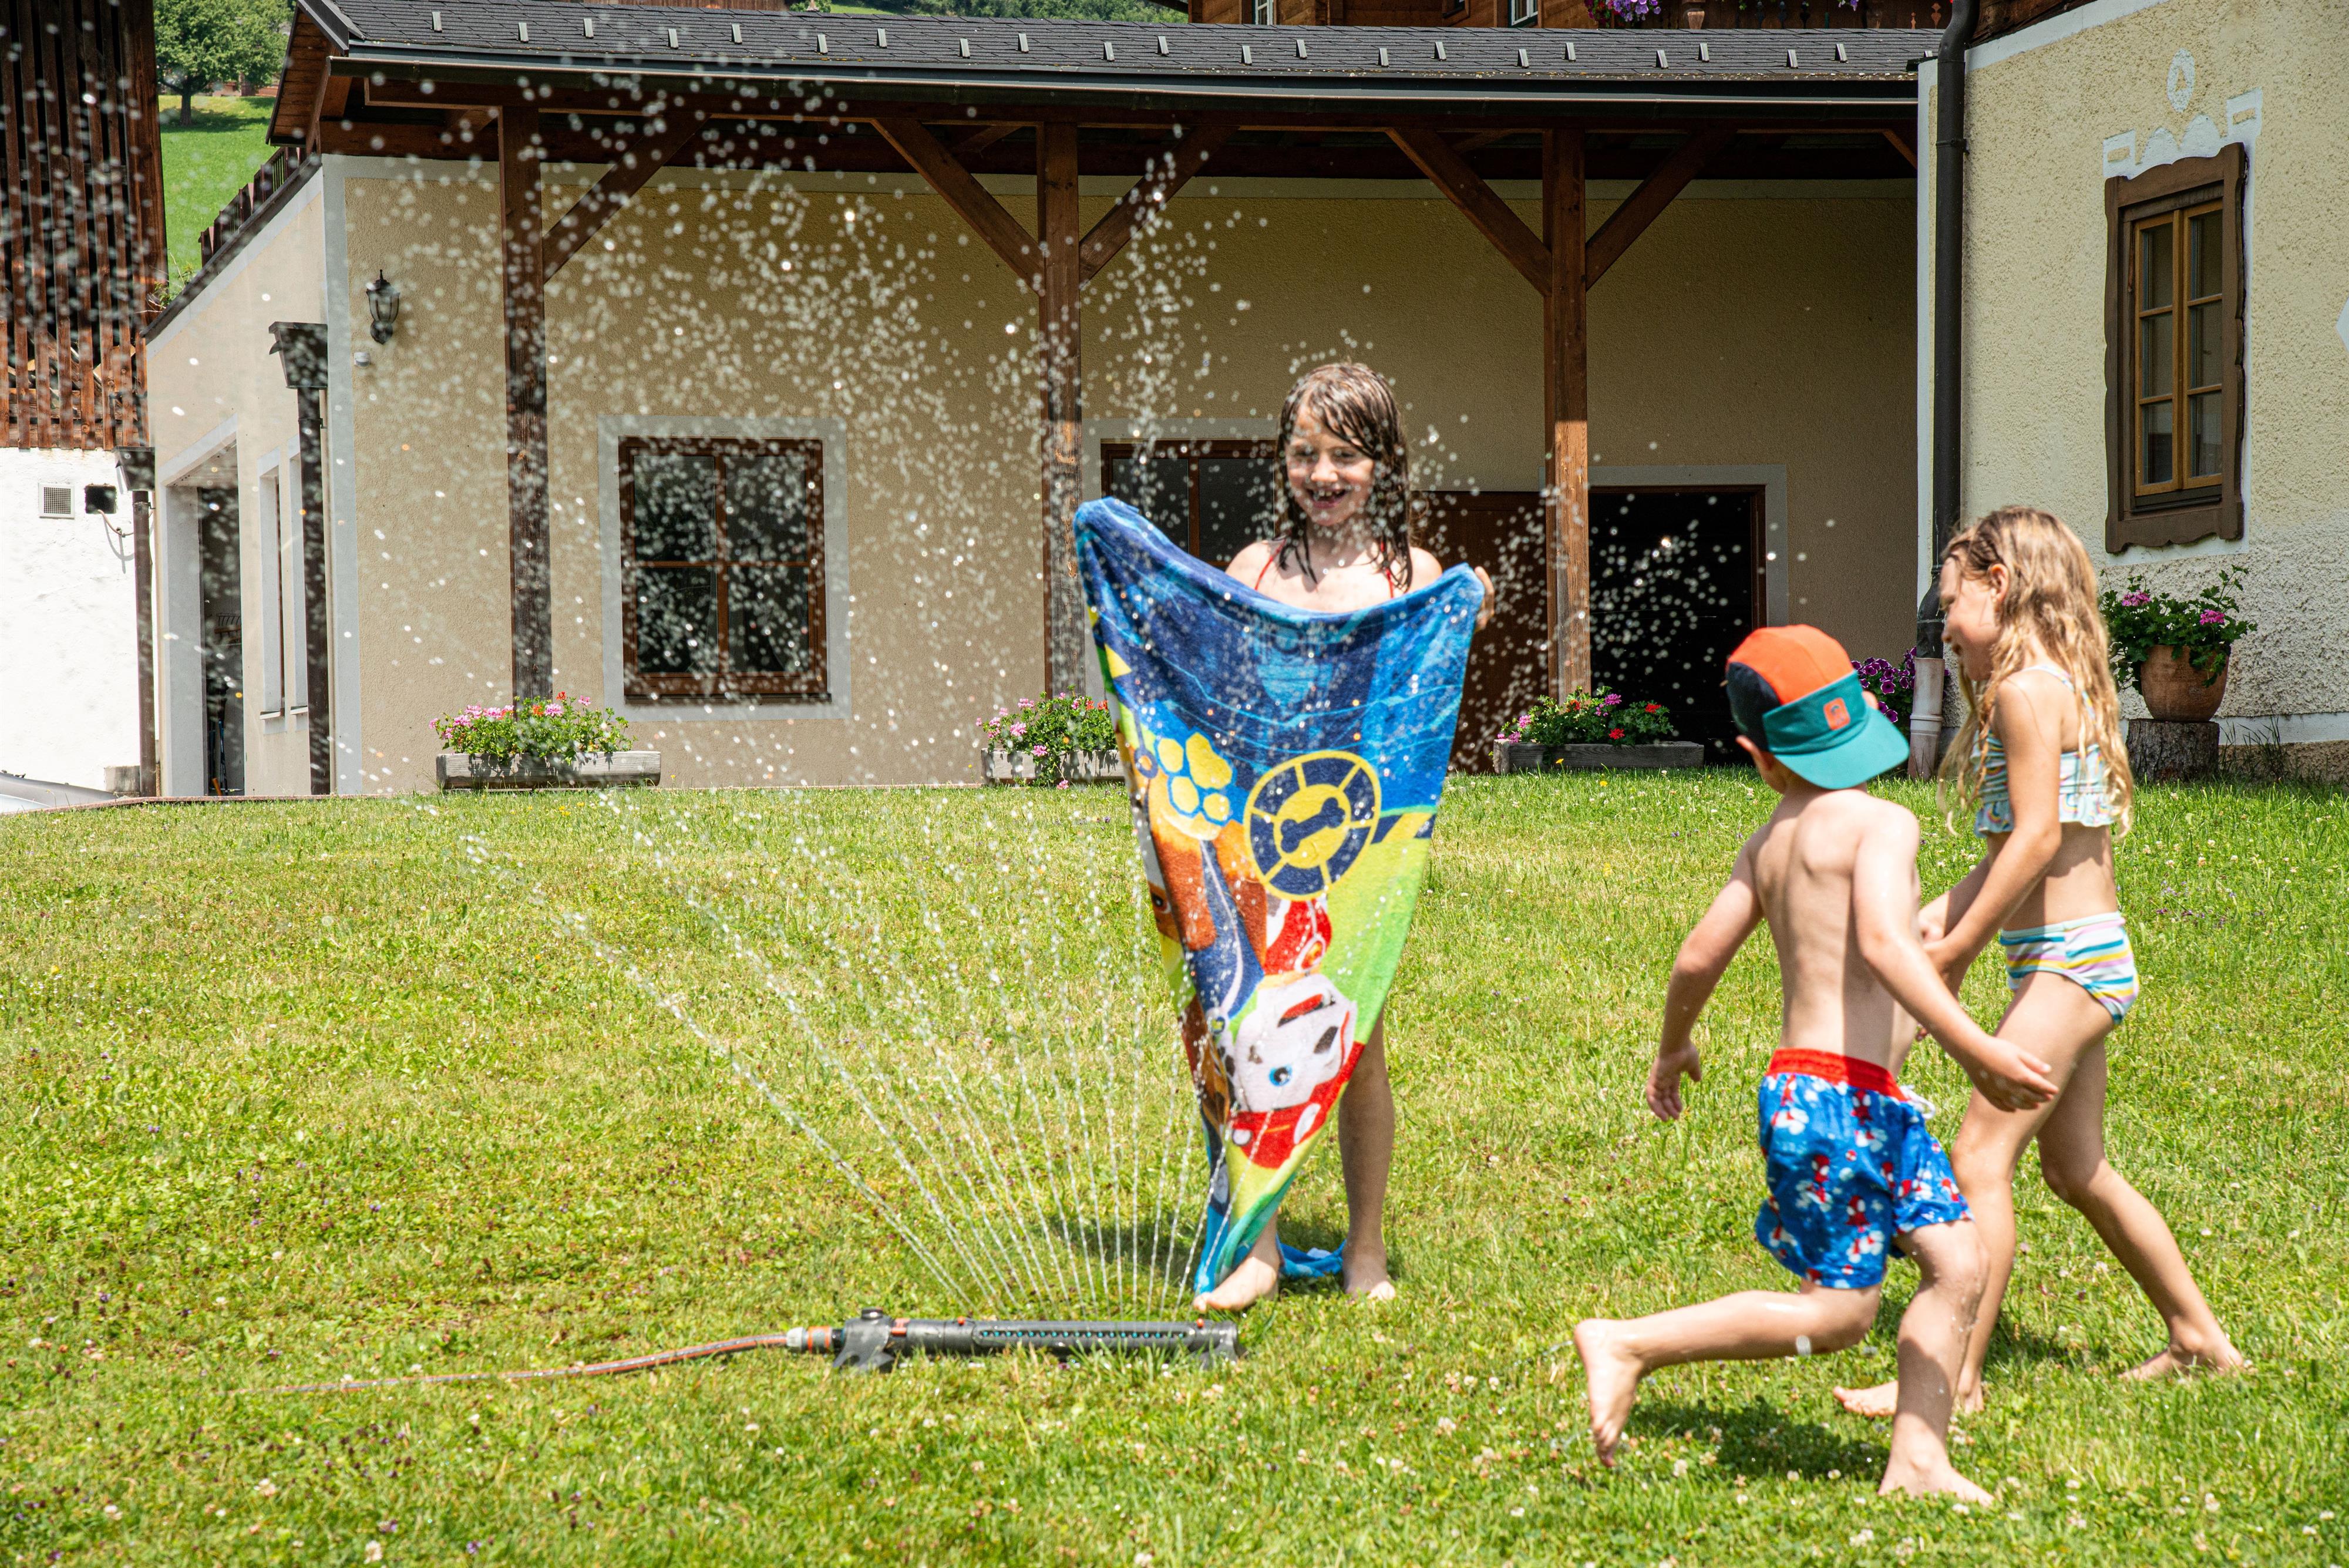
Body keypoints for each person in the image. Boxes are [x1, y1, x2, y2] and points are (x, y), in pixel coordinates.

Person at [1573, 625, 2059, 1501]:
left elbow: (1698, 956)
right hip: (1841, 1101)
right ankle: (1629, 1342)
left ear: (1757, 755)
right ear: (1862, 714)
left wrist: (1674, 1045)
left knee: (1960, 1263)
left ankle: (1919, 1458)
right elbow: (1883, 944)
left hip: (1827, 1093)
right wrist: (1975, 1044)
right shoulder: (1884, 823)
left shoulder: (1769, 845)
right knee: (1839, 1314)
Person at [1834, 508, 2243, 1421]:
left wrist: (1956, 953)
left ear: (2001, 586)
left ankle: (1956, 1376)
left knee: (1978, 1157)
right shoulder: (2048, 685)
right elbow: (2009, 856)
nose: (1945, 628)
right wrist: (1935, 919)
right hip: (2077, 961)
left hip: (2068, 966)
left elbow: (2036, 843)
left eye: (1952, 605)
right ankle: (2198, 1336)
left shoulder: (2025, 692)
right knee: (2078, 1169)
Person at [1199, 362, 1491, 1311]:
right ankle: (1258, 1245)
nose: (1322, 475)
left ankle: (1365, 1248)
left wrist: (1469, 601)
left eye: (1345, 456)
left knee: (1357, 1033)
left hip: (1361, 839)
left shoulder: (1411, 577)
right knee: (1241, 1028)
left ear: (1383, 464)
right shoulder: (1256, 568)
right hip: (1257, 829)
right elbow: (1210, 677)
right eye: (1304, 454)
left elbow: (1432, 683)